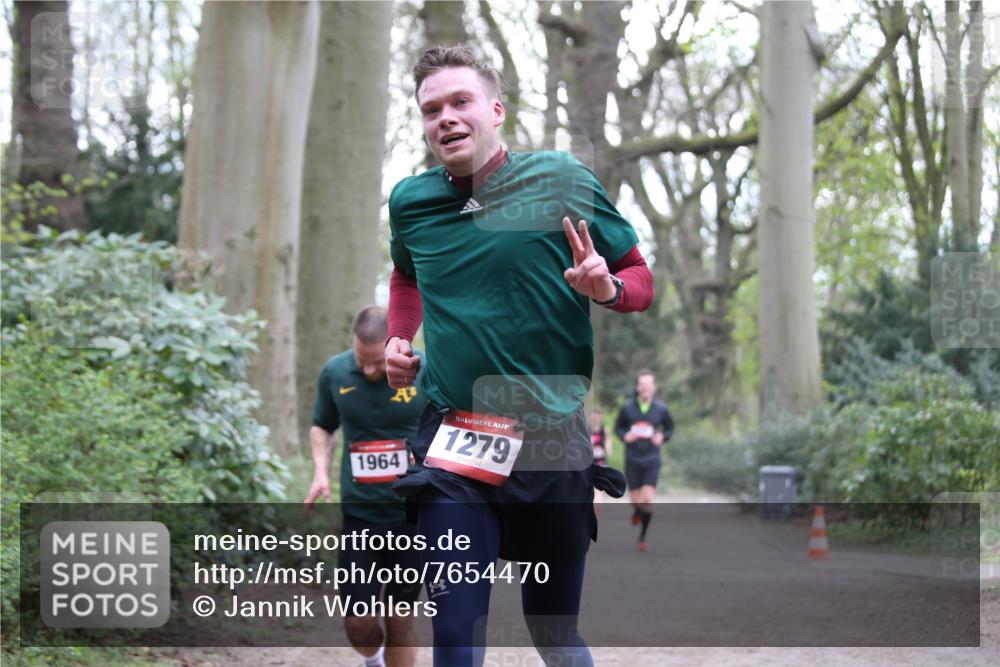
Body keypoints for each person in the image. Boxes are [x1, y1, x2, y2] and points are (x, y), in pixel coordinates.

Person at [384, 44, 654, 667]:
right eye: (431, 109)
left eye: (460, 102)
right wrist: (403, 338)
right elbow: (406, 276)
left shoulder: (560, 180)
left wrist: (604, 287)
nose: (445, 118)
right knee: (455, 630)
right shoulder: (411, 202)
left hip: (550, 439)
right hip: (457, 438)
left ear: (495, 110)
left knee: (555, 637)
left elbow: (639, 278)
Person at [304, 305, 428, 667]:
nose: (370, 369)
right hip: (360, 517)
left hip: (412, 518)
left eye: (378, 362)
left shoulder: (424, 369)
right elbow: (322, 426)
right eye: (363, 360)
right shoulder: (335, 371)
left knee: (399, 615)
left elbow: (451, 420)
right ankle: (372, 659)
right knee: (358, 620)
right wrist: (320, 471)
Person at [614, 370, 674, 552]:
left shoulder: (661, 409)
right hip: (632, 458)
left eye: (649, 384)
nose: (645, 387)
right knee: (634, 501)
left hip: (651, 458)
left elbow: (670, 428)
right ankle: (637, 511)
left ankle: (642, 537)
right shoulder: (627, 407)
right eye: (642, 384)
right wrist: (625, 436)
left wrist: (662, 437)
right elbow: (618, 427)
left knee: (647, 499)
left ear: (654, 387)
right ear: (637, 387)